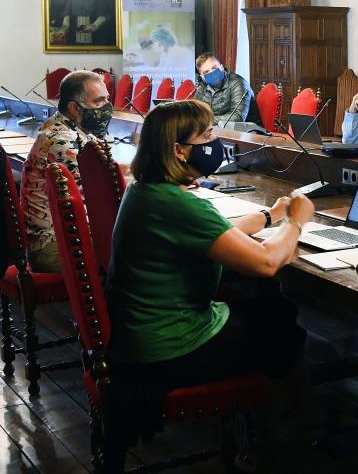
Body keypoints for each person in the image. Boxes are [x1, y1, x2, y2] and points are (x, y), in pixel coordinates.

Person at [103, 100, 312, 471]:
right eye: (207, 135)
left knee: (274, 312)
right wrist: (295, 222)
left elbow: (219, 235)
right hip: (171, 347)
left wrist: (269, 216)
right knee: (284, 330)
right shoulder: (179, 205)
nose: (214, 142)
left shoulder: (146, 190)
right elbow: (266, 263)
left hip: (143, 335)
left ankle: (276, 428)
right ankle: (274, 444)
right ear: (179, 150)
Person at [22, 70, 112, 272]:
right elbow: (108, 190)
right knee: (139, 252)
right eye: (98, 102)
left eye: (107, 99)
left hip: (67, 233)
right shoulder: (61, 141)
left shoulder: (70, 127)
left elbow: (110, 170)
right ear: (74, 108)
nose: (107, 107)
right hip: (52, 246)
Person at [194, 52, 262, 126]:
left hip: (248, 131)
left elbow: (238, 117)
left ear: (222, 67)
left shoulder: (238, 82)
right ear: (202, 77)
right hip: (217, 129)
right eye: (206, 72)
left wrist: (206, 120)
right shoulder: (202, 87)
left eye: (214, 68)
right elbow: (194, 113)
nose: (212, 73)